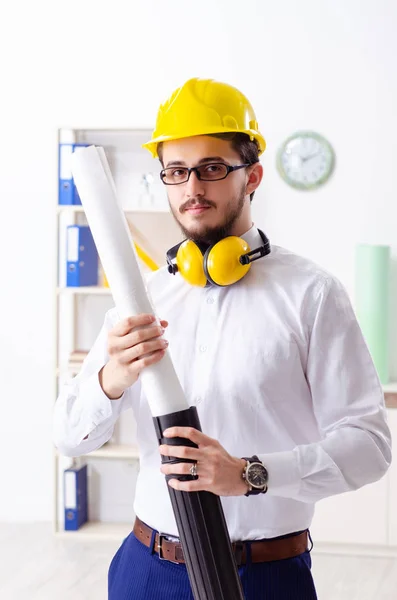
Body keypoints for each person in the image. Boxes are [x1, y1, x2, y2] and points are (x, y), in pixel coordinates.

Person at [53, 77, 392, 600]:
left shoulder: (313, 294)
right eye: (176, 171)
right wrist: (110, 381)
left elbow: (369, 447)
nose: (192, 187)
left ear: (252, 175)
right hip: (146, 569)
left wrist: (250, 474)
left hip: (264, 576)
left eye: (212, 168)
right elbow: (69, 437)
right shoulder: (141, 298)